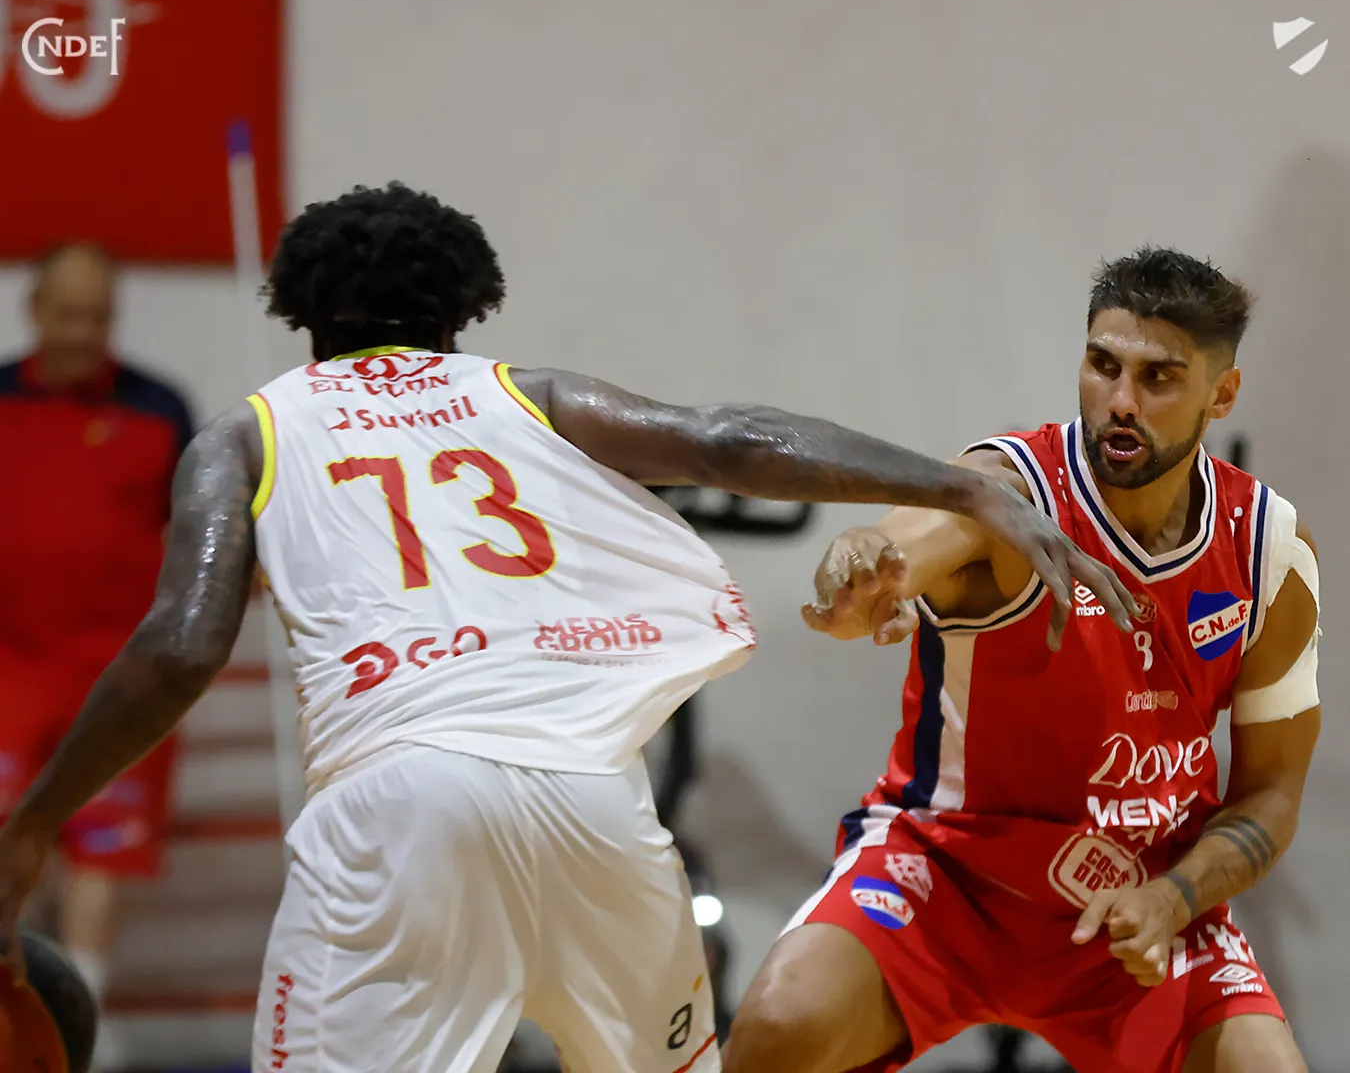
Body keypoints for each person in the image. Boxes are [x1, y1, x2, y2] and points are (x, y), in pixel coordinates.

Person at [0, 183, 1133, 1073]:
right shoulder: (523, 393)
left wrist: (38, 819)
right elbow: (725, 439)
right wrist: (958, 484)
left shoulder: (249, 433)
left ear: (301, 316)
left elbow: (180, 647)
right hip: (596, 803)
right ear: (459, 313)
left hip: (402, 804)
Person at [723, 247, 1321, 1073]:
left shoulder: (1267, 552)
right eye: (1103, 365)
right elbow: (918, 535)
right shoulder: (1011, 488)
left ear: (1222, 394)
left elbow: (1272, 795)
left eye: (1158, 378)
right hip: (952, 875)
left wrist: (1175, 896)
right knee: (780, 1026)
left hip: (1136, 894)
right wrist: (869, 567)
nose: (1120, 401)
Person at [0, 243, 193, 1031]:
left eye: (98, 316)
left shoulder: (160, 409)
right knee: (9, 848)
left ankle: (77, 1029)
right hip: (8, 669)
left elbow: (194, 533)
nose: (83, 332)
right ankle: (13, 1026)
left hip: (120, 678)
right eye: (68, 314)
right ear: (34, 311)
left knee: (99, 857)